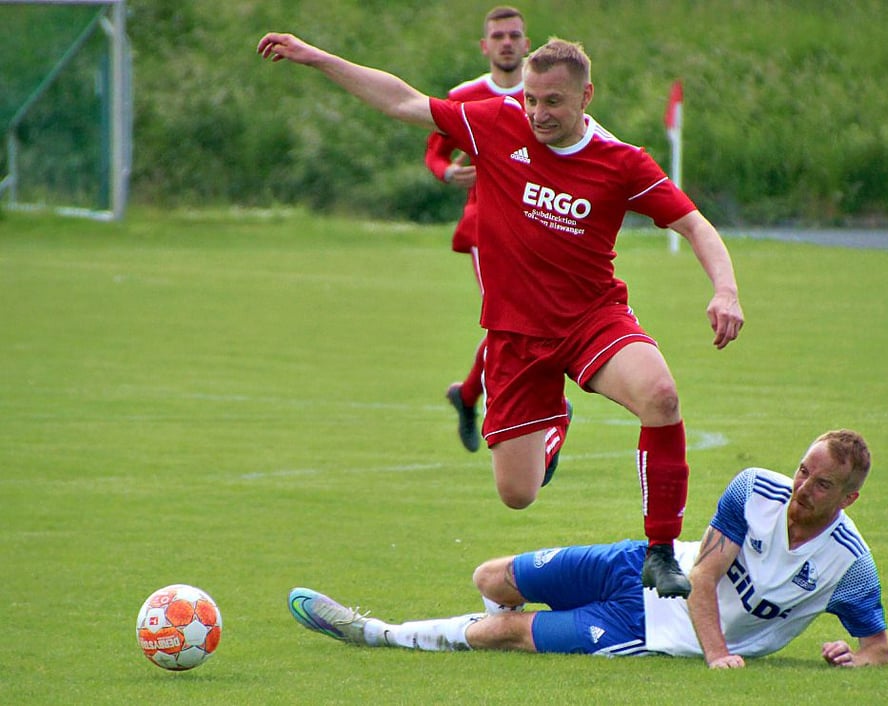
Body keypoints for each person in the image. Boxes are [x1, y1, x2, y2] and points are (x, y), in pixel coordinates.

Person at [257, 30, 745, 596]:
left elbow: (694, 225)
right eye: (532, 99)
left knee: (661, 397)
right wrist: (316, 57)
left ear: (586, 97)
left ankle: (660, 552)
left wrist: (725, 290)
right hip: (514, 338)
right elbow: (402, 101)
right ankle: (554, 422)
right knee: (518, 494)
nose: (537, 112)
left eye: (553, 102)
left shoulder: (621, 162)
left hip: (593, 320)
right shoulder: (496, 122)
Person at [287, 430, 888, 668]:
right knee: (493, 577)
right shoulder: (754, 488)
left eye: (821, 484)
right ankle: (480, 623)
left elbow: (879, 650)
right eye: (802, 471)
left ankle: (374, 632)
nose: (801, 489)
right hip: (645, 565)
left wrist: (849, 656)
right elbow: (704, 576)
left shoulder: (849, 563)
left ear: (849, 498)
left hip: (655, 628)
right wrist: (721, 655)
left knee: (510, 634)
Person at [423, 7, 535, 456]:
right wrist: (448, 173)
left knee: (524, 318)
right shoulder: (465, 96)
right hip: (485, 228)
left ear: (528, 44)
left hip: (538, 226)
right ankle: (544, 408)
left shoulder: (544, 94)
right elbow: (434, 154)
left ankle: (469, 395)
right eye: (497, 36)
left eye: (514, 35)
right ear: (484, 46)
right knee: (511, 317)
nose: (506, 43)